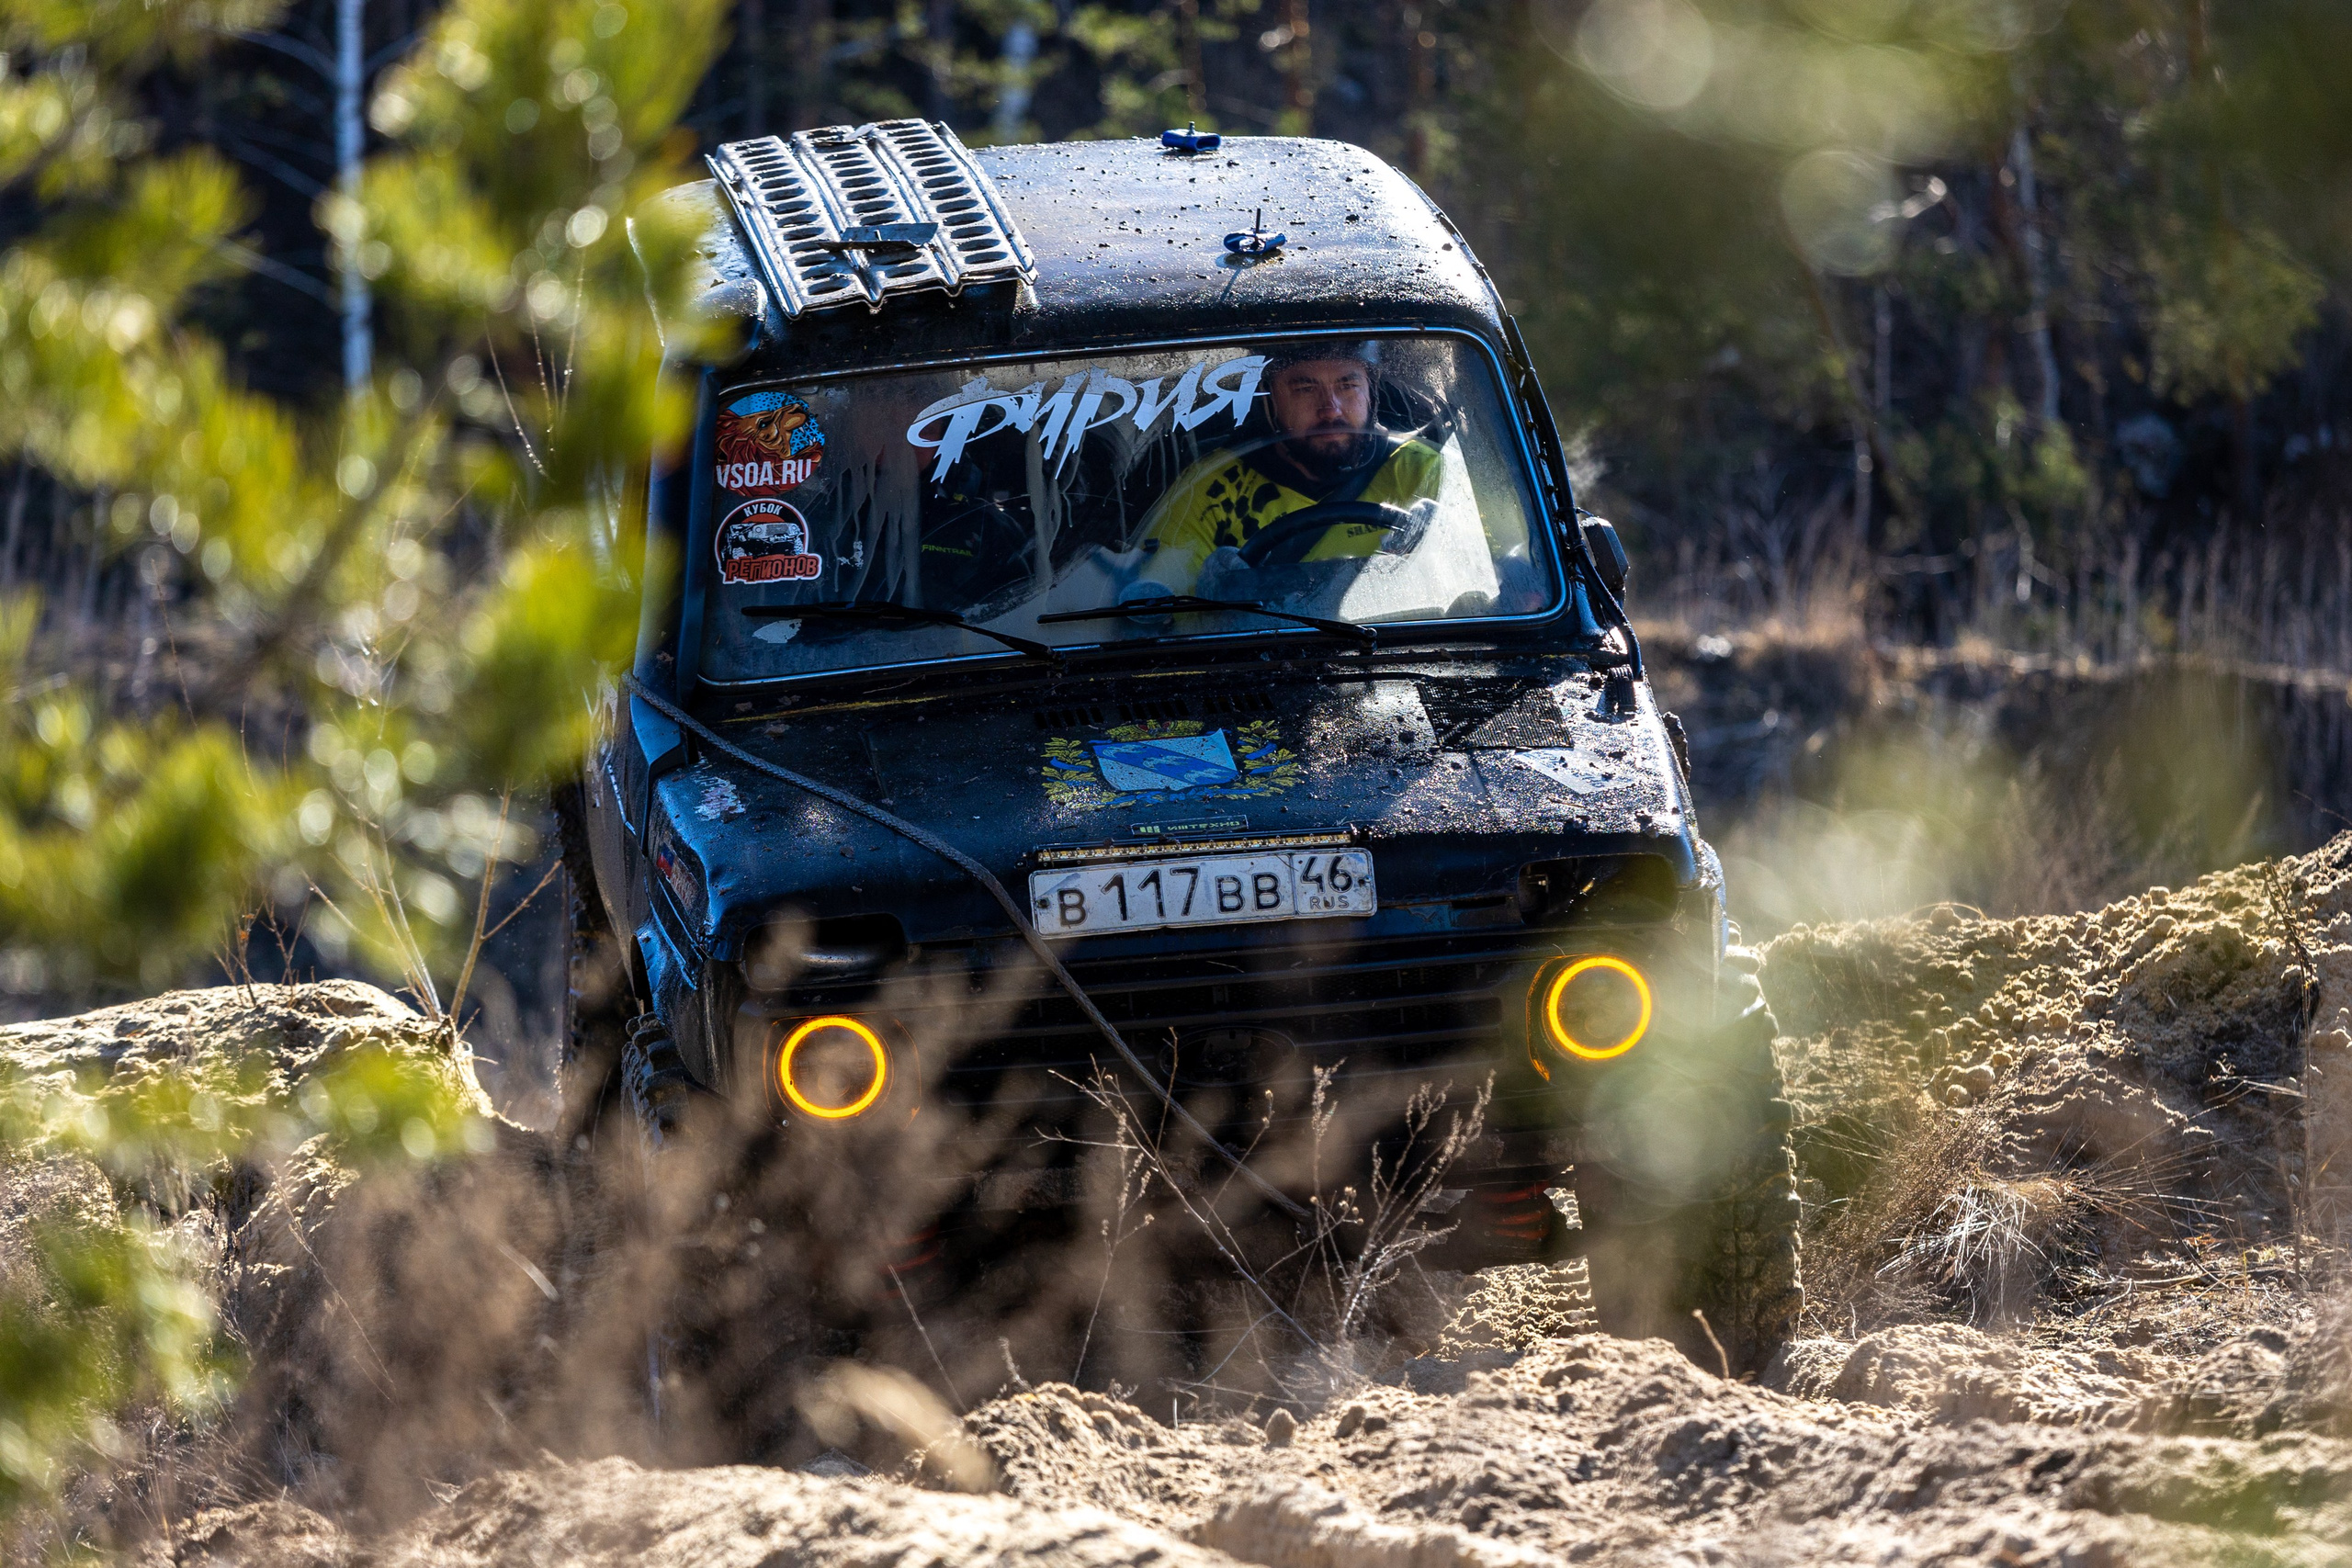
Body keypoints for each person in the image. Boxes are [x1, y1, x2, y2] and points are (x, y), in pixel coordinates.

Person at [1127, 343, 1442, 597]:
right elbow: (1154, 610)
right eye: (1305, 388)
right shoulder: (1210, 489)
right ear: (1270, 400)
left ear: (1371, 392)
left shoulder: (1421, 470)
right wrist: (1211, 604)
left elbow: (1483, 580)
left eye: (1348, 385)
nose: (1330, 408)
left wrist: (1441, 549)